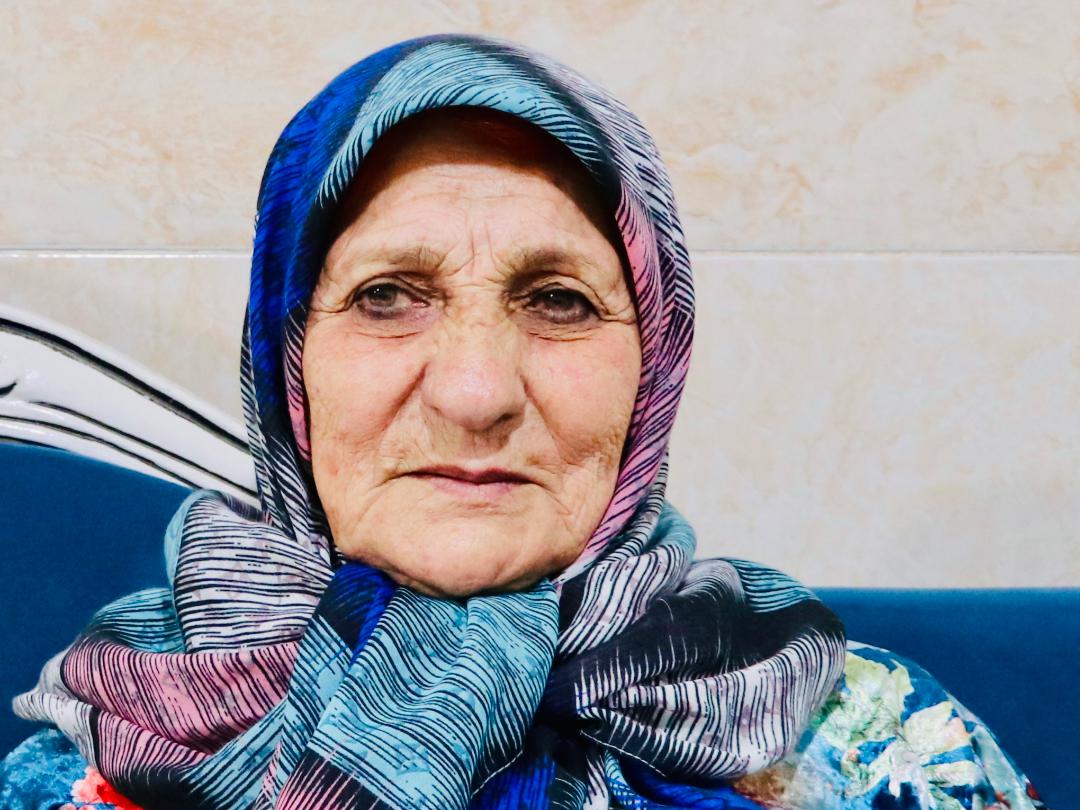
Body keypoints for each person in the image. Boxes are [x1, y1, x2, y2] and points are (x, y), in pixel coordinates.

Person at [0, 33, 1044, 810]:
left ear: (653, 371)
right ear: (289, 368)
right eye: (386, 296)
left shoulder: (877, 749)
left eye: (559, 301)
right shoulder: (116, 751)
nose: (475, 392)